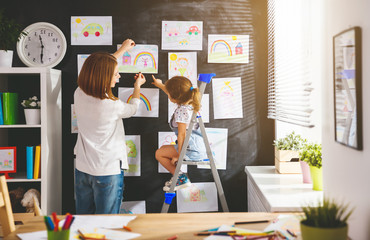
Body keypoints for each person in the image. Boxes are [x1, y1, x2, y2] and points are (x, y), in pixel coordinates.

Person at [74, 39, 146, 214]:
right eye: (116, 74)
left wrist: (121, 51)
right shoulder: (112, 105)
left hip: (83, 168)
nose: (119, 76)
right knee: (106, 222)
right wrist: (137, 87)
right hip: (107, 171)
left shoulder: (79, 93)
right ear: (104, 77)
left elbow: (97, 69)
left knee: (84, 219)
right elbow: (134, 108)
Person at [152, 75, 207, 192]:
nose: (168, 95)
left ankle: (180, 177)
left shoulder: (181, 111)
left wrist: (179, 156)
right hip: (198, 146)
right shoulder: (191, 103)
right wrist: (159, 84)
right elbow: (175, 93)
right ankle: (180, 176)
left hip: (191, 148)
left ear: (174, 97)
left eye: (169, 93)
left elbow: (182, 135)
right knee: (163, 149)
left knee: (159, 154)